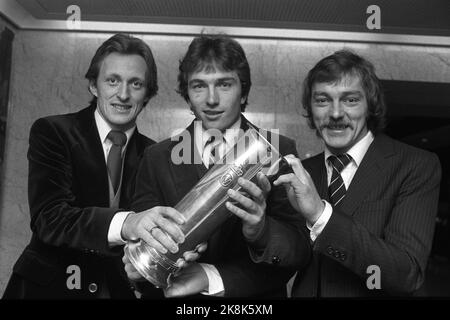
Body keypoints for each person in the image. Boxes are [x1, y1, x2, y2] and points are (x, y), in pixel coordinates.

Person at [123, 34, 311, 298]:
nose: (211, 99)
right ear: (187, 93)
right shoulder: (156, 157)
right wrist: (139, 260)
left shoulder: (278, 150)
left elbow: (299, 251)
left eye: (224, 85)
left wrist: (260, 230)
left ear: (243, 90)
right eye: (199, 86)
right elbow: (143, 255)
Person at [3, 33, 163, 299]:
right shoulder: (53, 131)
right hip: (48, 290)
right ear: (93, 85)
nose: (123, 94)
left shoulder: (155, 154)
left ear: (147, 94)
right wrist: (127, 223)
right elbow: (49, 218)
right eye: (112, 81)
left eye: (135, 84)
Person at [274, 50, 441, 297]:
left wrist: (321, 216)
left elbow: (406, 274)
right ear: (311, 108)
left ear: (370, 106)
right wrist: (258, 229)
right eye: (322, 100)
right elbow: (289, 258)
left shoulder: (415, 165)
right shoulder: (303, 173)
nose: (335, 113)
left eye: (350, 100)